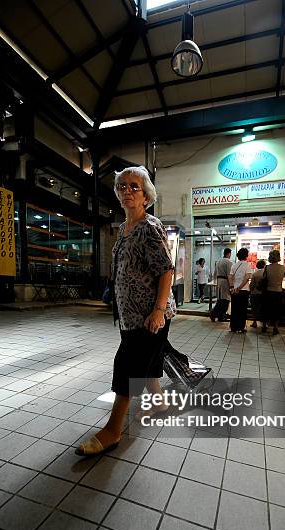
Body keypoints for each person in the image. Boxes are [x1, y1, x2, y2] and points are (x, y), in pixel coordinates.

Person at [76, 166, 176, 456]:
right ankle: (159, 403)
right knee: (146, 362)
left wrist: (158, 310)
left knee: (127, 368)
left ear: (146, 195)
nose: (127, 191)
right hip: (129, 316)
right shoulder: (123, 228)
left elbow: (166, 270)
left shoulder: (149, 227)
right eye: (122, 187)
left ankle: (112, 431)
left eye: (134, 186)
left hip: (149, 316)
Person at [229, 248, 252, 333]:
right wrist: (239, 288)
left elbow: (230, 277)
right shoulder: (247, 265)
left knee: (234, 309)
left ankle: (233, 327)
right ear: (246, 255)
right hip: (243, 290)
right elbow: (247, 278)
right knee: (242, 309)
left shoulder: (234, 265)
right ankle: (240, 327)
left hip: (234, 290)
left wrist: (232, 287)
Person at [263, 250, 285, 335]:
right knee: (277, 310)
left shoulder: (267, 267)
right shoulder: (282, 268)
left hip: (268, 291)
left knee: (267, 309)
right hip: (278, 291)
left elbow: (264, 278)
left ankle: (264, 325)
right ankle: (275, 327)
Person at [210, 248, 232, 322]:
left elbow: (215, 273)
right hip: (225, 281)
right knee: (225, 300)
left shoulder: (219, 261)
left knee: (220, 299)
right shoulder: (228, 262)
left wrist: (215, 282)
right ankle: (220, 315)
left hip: (219, 281)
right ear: (228, 254)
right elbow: (229, 274)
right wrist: (231, 285)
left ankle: (216, 314)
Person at [250, 259, 266, 328]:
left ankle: (254, 322)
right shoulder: (266, 273)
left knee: (255, 308)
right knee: (263, 308)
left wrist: (251, 290)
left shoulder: (255, 274)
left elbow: (252, 285)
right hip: (264, 293)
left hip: (255, 293)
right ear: (264, 265)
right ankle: (264, 324)